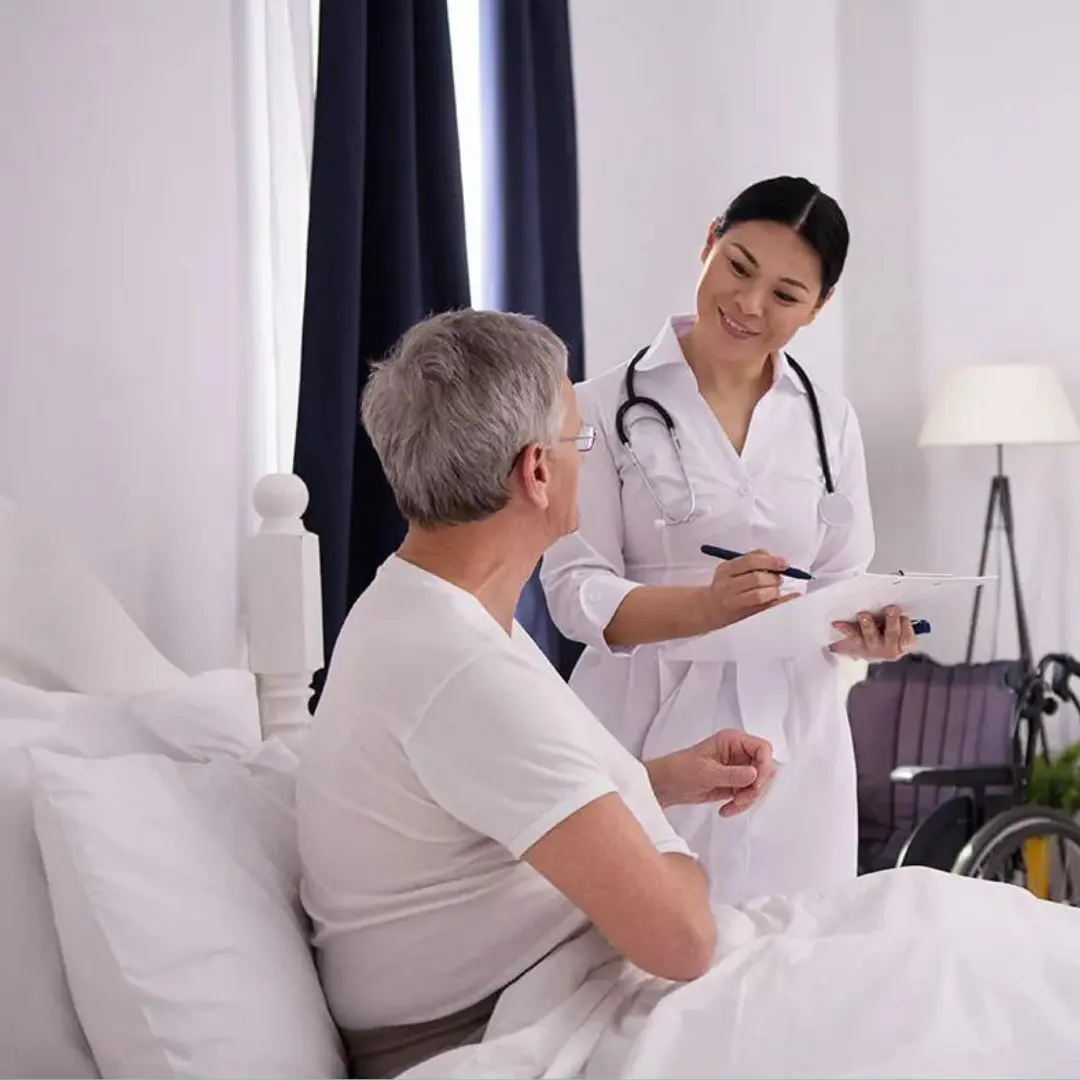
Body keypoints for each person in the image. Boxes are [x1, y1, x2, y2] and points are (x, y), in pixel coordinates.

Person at [296, 309, 777, 1079]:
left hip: (523, 987)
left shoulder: (419, 608)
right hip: (497, 1025)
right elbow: (684, 939)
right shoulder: (461, 669)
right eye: (580, 441)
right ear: (537, 472)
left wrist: (659, 779)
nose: (588, 459)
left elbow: (486, 801)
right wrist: (660, 836)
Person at [540, 175, 915, 907]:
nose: (749, 305)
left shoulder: (829, 420)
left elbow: (840, 581)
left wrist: (866, 633)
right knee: (646, 949)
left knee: (798, 947)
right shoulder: (597, 408)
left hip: (796, 742)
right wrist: (702, 607)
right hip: (644, 734)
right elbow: (573, 589)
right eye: (739, 267)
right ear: (710, 241)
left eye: (785, 294)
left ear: (819, 306)